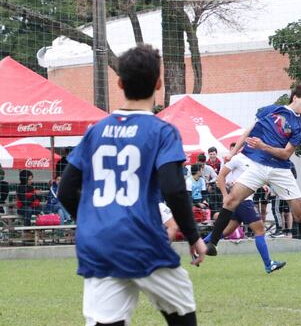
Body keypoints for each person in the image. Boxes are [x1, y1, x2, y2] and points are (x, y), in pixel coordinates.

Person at [58, 43, 206, 326]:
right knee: (182, 313)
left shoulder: (95, 131)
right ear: (159, 82)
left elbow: (66, 191)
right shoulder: (162, 131)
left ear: (120, 82)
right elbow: (174, 188)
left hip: (99, 243)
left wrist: (95, 221)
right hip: (141, 239)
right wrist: (193, 235)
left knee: (106, 321)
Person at [204, 84, 301, 278]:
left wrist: (263, 146)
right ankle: (212, 243)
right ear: (295, 98)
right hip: (257, 166)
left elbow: (285, 154)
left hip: (280, 170)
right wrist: (232, 153)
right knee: (231, 200)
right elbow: (249, 130)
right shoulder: (271, 110)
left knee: (300, 215)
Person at [202, 150, 286, 274]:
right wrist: (225, 195)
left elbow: (253, 178)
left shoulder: (256, 161)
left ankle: (199, 246)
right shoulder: (238, 159)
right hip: (243, 201)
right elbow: (220, 177)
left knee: (226, 231)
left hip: (242, 201)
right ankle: (269, 265)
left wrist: (264, 185)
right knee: (260, 230)